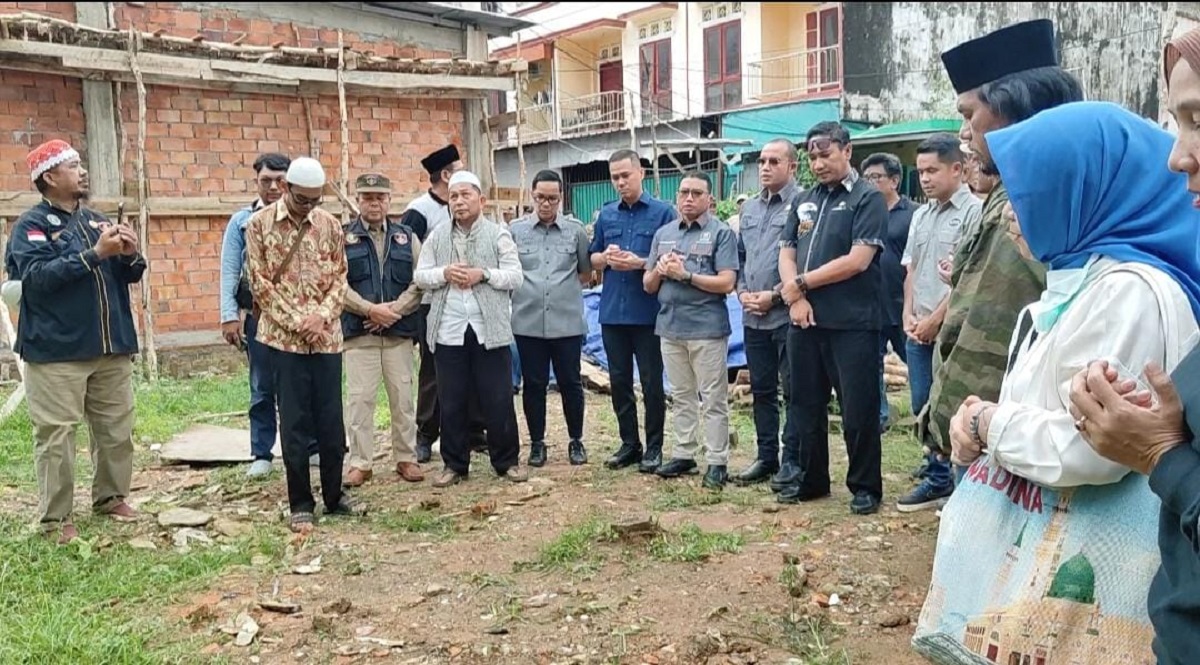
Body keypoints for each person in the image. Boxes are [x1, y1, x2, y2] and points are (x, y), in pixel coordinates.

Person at [942, 100, 1200, 663]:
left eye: (1034, 190)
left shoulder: (1129, 292)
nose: (1013, 211)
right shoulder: (1074, 282)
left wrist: (989, 425)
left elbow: (1095, 447)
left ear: (1084, 192)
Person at [1065, 30, 1200, 665]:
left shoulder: (1133, 289)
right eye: (1178, 123)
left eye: (1199, 121)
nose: (1178, 157)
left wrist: (1161, 455)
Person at [918, 19, 1083, 471]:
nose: (964, 133)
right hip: (981, 424)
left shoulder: (1048, 201)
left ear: (1013, 108)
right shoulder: (1011, 194)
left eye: (970, 114)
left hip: (1011, 430)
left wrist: (973, 421)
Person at [7, 139, 144, 545]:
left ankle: (111, 497)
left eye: (81, 165)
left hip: (110, 347)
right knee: (56, 437)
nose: (82, 172)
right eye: (72, 166)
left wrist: (130, 255)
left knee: (117, 430)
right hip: (56, 352)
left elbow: (127, 276)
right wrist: (95, 254)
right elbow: (35, 280)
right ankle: (56, 519)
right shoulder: (30, 227)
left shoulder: (97, 221)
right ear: (49, 177)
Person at [245, 157, 365, 533]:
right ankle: (300, 501)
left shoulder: (329, 225)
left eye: (315, 200)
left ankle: (334, 496)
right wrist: (300, 322)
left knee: (331, 421)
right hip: (283, 340)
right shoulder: (258, 225)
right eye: (302, 200)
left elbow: (341, 278)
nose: (309, 206)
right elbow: (260, 283)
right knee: (294, 421)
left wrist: (322, 318)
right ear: (285, 189)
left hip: (326, 339)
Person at [777, 121, 889, 515]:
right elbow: (787, 251)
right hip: (805, 320)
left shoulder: (866, 198)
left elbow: (859, 260)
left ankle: (865, 487)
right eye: (812, 156)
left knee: (857, 408)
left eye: (826, 154)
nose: (819, 163)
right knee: (804, 404)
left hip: (852, 322)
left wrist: (801, 285)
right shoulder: (803, 200)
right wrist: (795, 298)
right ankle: (811, 480)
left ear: (847, 151)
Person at [413, 170, 528, 487]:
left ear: (482, 199)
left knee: (498, 398)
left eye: (466, 195)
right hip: (449, 328)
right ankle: (454, 465)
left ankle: (507, 462)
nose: (459, 201)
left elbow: (515, 276)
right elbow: (420, 277)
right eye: (453, 196)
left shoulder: (498, 234)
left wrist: (484, 274)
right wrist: (445, 273)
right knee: (451, 399)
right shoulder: (437, 236)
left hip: (488, 329)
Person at [218, 152, 319, 478]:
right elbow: (230, 270)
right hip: (260, 317)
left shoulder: (310, 218)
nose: (273, 187)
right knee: (262, 387)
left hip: (301, 320)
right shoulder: (242, 222)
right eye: (266, 180)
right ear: (257, 181)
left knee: (305, 384)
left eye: (280, 180)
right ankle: (262, 451)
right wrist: (228, 315)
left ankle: (311, 446)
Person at [896, 134, 981, 512]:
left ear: (958, 169)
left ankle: (947, 480)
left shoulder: (975, 213)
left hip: (952, 329)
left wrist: (934, 320)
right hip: (920, 326)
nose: (926, 178)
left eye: (933, 170)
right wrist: (909, 314)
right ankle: (937, 470)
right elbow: (911, 269)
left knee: (950, 405)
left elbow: (970, 279)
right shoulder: (921, 214)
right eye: (921, 171)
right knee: (920, 403)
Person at [644, 172, 739, 489]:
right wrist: (659, 270)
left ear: (709, 199)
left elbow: (727, 283)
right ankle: (684, 453)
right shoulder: (664, 233)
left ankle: (717, 461)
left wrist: (685, 275)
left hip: (706, 328)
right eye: (684, 192)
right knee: (682, 396)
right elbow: (647, 285)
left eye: (696, 193)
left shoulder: (721, 233)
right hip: (670, 327)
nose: (689, 198)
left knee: (713, 398)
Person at [588, 149, 676, 473]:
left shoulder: (663, 213)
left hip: (647, 312)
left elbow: (671, 258)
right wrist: (606, 258)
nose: (621, 182)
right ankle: (629, 442)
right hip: (612, 312)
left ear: (640, 172)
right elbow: (592, 258)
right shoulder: (607, 215)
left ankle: (654, 446)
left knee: (652, 382)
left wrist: (640, 263)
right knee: (620, 381)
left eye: (626, 175)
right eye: (615, 177)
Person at [400, 144, 486, 462]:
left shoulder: (469, 202)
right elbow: (405, 258)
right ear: (446, 175)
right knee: (434, 371)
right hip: (433, 302)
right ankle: (426, 433)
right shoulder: (419, 210)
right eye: (459, 167)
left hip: (471, 300)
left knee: (476, 363)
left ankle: (475, 430)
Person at [339, 173, 425, 487]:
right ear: (358, 200)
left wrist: (393, 311)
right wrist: (370, 309)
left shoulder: (406, 236)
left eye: (380, 198)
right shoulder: (342, 236)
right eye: (367, 197)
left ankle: (406, 458)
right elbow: (336, 283)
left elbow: (421, 281)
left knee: (403, 399)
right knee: (360, 402)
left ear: (389, 200)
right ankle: (361, 463)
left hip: (398, 334)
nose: (374, 203)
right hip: (359, 335)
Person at [509, 170, 591, 467]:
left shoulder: (575, 231)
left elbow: (585, 273)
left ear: (561, 198)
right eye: (541, 197)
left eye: (552, 198)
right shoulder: (515, 231)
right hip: (527, 323)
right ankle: (536, 444)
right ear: (532, 195)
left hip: (566, 323)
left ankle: (576, 441)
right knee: (533, 384)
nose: (546, 204)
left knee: (570, 383)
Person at [734, 138, 801, 487]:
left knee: (794, 391)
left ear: (792, 166)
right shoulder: (750, 210)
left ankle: (792, 459)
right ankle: (766, 457)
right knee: (762, 390)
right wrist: (743, 291)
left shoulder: (803, 205)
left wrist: (774, 297)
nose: (765, 167)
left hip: (787, 315)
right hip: (752, 317)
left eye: (774, 161)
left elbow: (805, 260)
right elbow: (741, 258)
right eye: (762, 161)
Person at [860, 152, 915, 433]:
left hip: (904, 303)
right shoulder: (863, 213)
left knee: (915, 361)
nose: (870, 182)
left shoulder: (913, 213)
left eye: (876, 177)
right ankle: (879, 417)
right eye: (866, 177)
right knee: (871, 365)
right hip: (869, 302)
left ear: (894, 180)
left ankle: (923, 413)